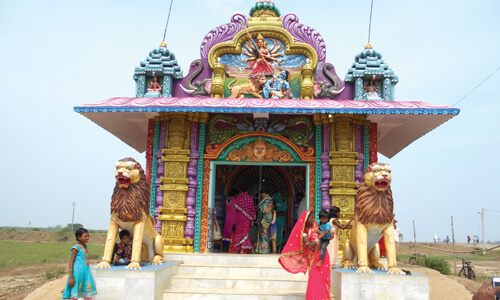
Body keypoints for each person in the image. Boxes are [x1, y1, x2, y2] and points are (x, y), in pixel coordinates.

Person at [279, 211, 331, 299]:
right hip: (313, 259)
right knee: (314, 282)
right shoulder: (304, 232)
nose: (313, 219)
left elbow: (326, 234)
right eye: (311, 218)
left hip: (323, 256)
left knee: (322, 281)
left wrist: (330, 234)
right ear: (306, 219)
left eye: (314, 217)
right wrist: (319, 237)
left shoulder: (316, 225)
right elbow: (309, 246)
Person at [62, 228, 97, 300]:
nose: (87, 238)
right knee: (75, 293)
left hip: (86, 273)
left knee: (87, 292)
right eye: (85, 236)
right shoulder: (75, 248)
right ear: (79, 237)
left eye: (88, 236)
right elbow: (71, 261)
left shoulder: (85, 246)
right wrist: (71, 277)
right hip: (77, 273)